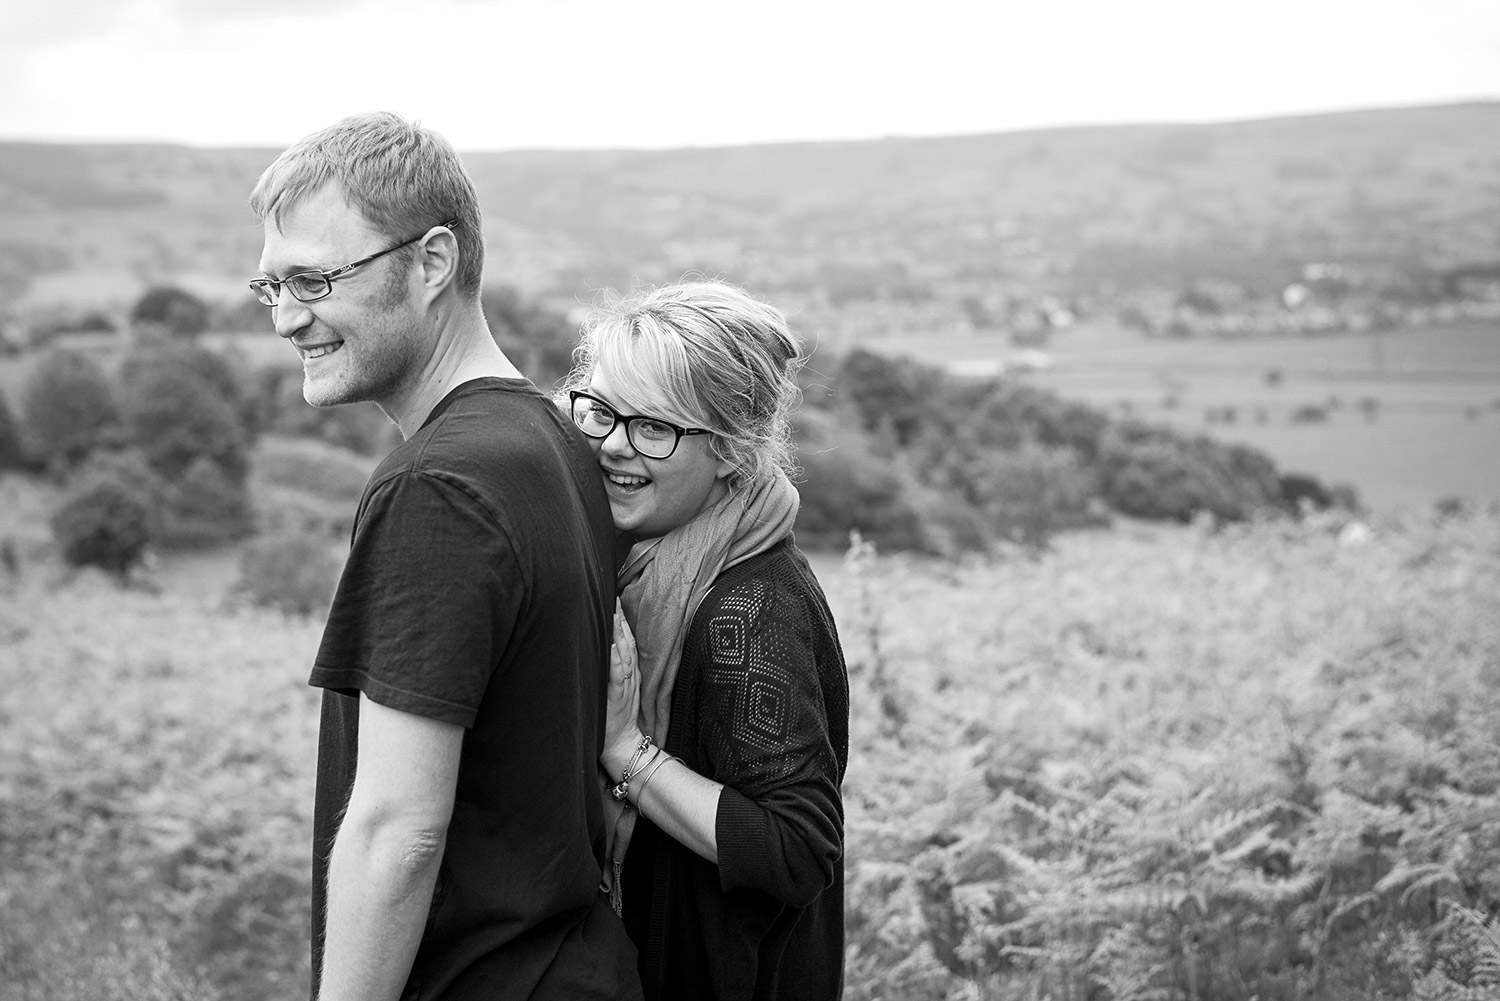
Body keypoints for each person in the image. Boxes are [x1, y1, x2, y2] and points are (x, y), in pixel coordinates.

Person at [248, 112, 639, 1001]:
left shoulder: (438, 487)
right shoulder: (547, 440)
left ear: (432, 262)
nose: (285, 319)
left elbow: (398, 830)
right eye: (269, 286)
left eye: (312, 278)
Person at [559, 280, 850, 1001]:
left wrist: (624, 748)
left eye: (654, 426)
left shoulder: (745, 609)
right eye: (599, 411)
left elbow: (797, 847)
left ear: (730, 447)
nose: (613, 446)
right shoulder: (643, 561)